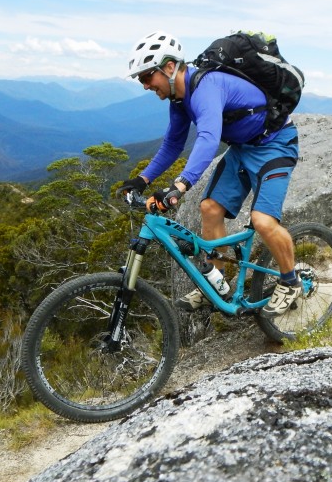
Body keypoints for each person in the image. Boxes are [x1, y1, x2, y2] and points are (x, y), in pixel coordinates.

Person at [117, 30, 301, 317]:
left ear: (168, 67)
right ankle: (218, 282)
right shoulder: (179, 99)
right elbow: (173, 144)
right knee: (210, 208)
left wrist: (181, 184)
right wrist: (142, 179)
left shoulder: (207, 87)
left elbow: (208, 137)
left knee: (263, 221)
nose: (144, 85)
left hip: (275, 145)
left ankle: (291, 282)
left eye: (146, 77)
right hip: (242, 148)